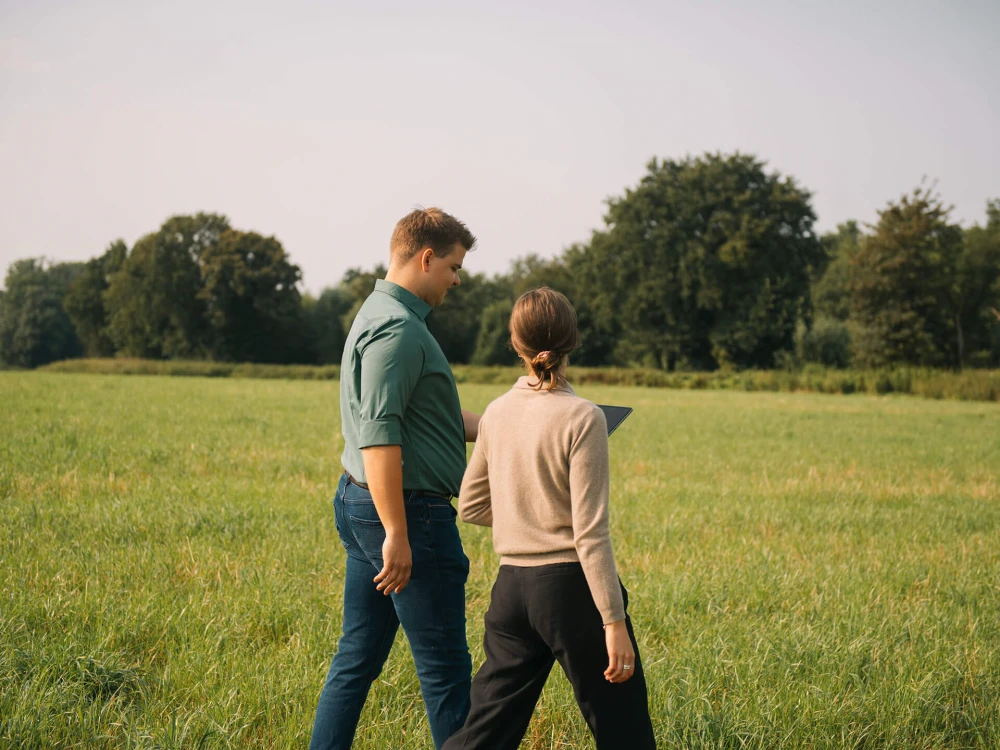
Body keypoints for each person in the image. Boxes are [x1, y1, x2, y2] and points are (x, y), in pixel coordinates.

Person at [442, 287, 656, 750]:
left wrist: (524, 518)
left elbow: (473, 504)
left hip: (511, 592)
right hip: (572, 591)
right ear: (571, 342)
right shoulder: (583, 418)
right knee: (625, 733)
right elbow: (590, 533)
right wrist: (613, 623)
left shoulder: (496, 413)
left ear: (515, 343)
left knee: (484, 734)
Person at [309, 207, 482, 750]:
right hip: (406, 514)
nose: (457, 279)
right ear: (426, 257)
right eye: (454, 266)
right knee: (448, 674)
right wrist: (398, 534)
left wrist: (510, 421)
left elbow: (422, 419)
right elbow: (379, 438)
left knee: (356, 658)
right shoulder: (399, 331)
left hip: (368, 503)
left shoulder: (380, 312)